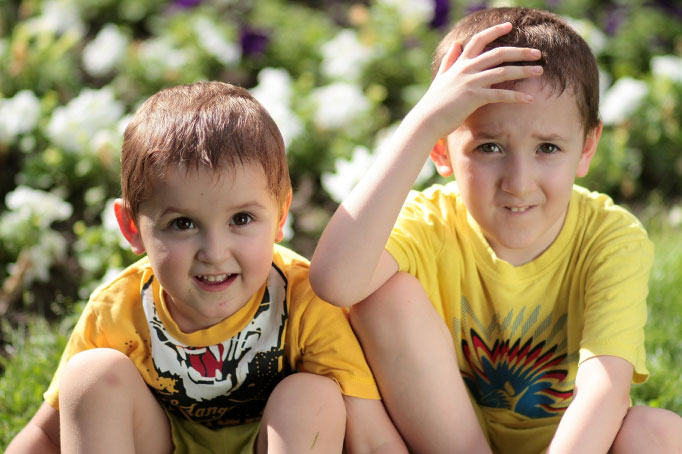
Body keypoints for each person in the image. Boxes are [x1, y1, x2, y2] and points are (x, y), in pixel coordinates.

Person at [310, 7, 682, 454]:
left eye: (548, 147)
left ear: (586, 148)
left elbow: (606, 390)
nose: (518, 181)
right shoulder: (429, 223)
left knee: (657, 432)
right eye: (489, 147)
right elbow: (334, 281)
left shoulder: (609, 238)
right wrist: (424, 119)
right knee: (383, 294)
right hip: (449, 443)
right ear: (441, 152)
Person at [7, 81, 406, 454]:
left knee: (312, 397)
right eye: (183, 224)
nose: (214, 252)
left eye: (242, 219)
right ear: (132, 228)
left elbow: (372, 439)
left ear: (281, 214)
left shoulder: (305, 302)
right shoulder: (118, 312)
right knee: (91, 376)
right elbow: (46, 434)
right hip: (161, 443)